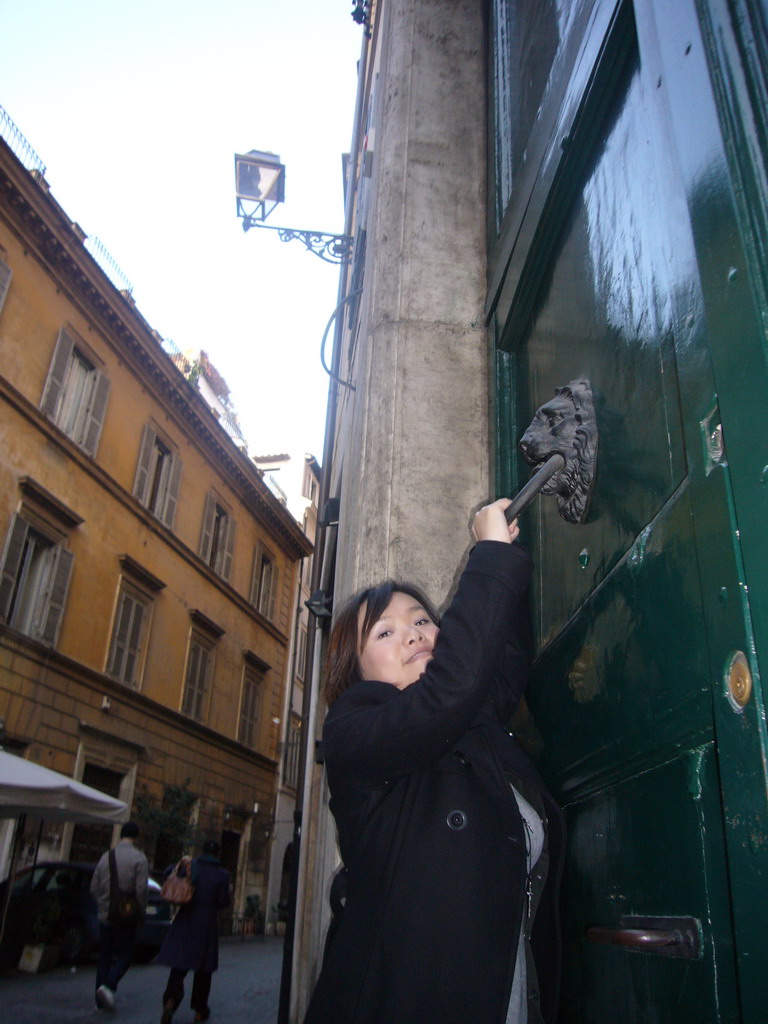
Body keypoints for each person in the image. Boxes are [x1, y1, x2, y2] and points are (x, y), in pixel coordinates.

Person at [303, 499, 564, 1024]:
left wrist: (504, 555)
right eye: (385, 632)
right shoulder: (353, 732)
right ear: (354, 671)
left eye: (422, 620)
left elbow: (500, 666)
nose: (414, 632)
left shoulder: (470, 727)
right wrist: (486, 555)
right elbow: (450, 693)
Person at [156, 839, 231, 1024]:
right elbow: (223, 901)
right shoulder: (222, 874)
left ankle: (170, 1001)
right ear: (217, 854)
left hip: (186, 918)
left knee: (179, 966)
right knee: (204, 970)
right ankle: (199, 1009)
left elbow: (169, 872)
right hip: (206, 924)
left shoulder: (191, 866)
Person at [90, 820, 149, 1011]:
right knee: (126, 955)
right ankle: (108, 986)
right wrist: (139, 912)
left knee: (104, 957)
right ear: (136, 837)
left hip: (106, 915)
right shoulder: (139, 859)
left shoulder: (105, 857)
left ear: (121, 835)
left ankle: (99, 1001)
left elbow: (93, 888)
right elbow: (141, 890)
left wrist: (104, 904)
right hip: (126, 916)